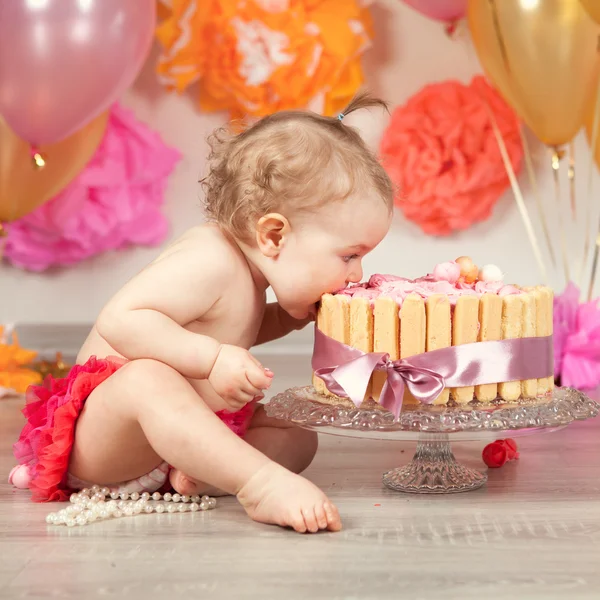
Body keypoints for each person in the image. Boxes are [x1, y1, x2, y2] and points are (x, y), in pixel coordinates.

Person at [11, 93, 394, 533]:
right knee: (146, 378)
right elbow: (121, 318)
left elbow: (233, 326)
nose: (357, 273)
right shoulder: (209, 259)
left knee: (298, 430)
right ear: (273, 234)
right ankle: (258, 483)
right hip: (108, 440)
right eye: (350, 255)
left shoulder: (251, 277)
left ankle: (206, 474)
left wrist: (285, 319)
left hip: (180, 439)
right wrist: (211, 360)